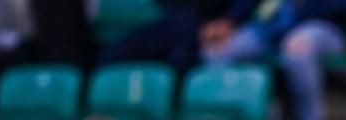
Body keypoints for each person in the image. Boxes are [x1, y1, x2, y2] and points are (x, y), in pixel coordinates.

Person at [201, 0, 346, 120]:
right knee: (218, 50)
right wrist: (230, 21)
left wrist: (299, 9)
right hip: (272, 28)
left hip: (323, 25)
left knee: (298, 49)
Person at [98, 0, 260, 75]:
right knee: (172, 40)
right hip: (184, 20)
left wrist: (230, 21)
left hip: (232, 24)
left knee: (180, 54)